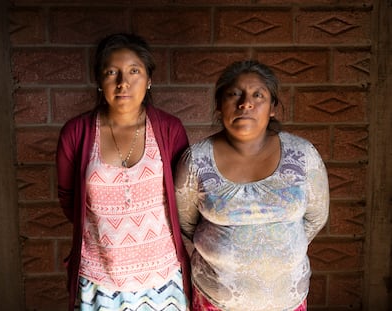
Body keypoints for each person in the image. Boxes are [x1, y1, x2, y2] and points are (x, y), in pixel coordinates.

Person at [175, 60, 330, 311]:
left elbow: (316, 217)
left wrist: (279, 250)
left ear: (272, 108)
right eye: (234, 93)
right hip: (216, 301)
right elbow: (186, 222)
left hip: (286, 301)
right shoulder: (196, 160)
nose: (245, 103)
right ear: (219, 105)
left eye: (258, 95)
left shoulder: (303, 155)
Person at [56, 33, 191, 311]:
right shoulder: (76, 133)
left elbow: (183, 197)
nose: (123, 82)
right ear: (99, 81)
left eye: (134, 71)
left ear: (149, 78)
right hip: (99, 281)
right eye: (111, 72)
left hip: (162, 278)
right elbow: (70, 199)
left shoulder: (169, 129)